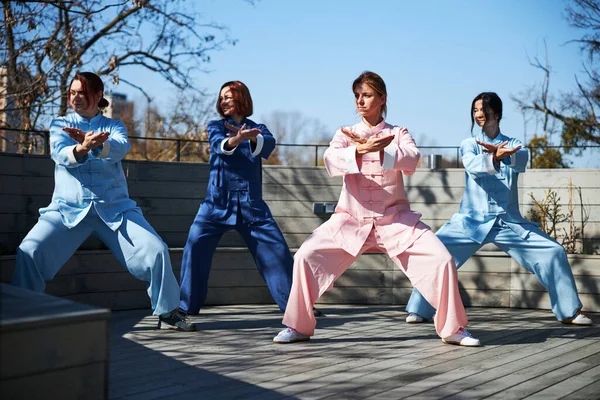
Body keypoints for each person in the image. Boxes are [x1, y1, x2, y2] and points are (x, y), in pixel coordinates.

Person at [273, 71, 480, 346]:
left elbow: (412, 159)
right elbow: (331, 160)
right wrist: (359, 150)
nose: (360, 100)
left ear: (382, 98)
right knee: (304, 257)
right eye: (357, 95)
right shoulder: (345, 134)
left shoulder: (397, 133)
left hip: (395, 221)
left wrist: (382, 150)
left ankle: (453, 329)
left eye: (367, 95)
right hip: (350, 221)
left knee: (442, 259)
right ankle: (298, 326)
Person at [12, 72, 194, 331]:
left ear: (98, 96)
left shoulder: (114, 126)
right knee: (29, 251)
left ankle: (168, 312)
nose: (75, 97)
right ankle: (19, 313)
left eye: (82, 92)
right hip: (67, 209)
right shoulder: (59, 124)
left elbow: (119, 148)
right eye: (72, 92)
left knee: (156, 250)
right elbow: (61, 154)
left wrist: (96, 146)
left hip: (115, 209)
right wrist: (81, 148)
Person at [405, 92, 593, 326]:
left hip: (508, 223)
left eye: (483, 109)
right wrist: (494, 158)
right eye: (475, 110)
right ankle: (419, 309)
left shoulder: (513, 145)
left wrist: (504, 156)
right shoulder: (469, 144)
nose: (479, 114)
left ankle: (570, 311)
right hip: (471, 222)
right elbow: (472, 165)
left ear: (497, 113)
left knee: (554, 252)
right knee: (438, 253)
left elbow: (521, 159)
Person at [179, 81, 323, 317]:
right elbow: (219, 145)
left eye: (229, 96)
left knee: (277, 252)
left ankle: (296, 307)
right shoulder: (215, 126)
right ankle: (186, 308)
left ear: (241, 98)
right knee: (194, 247)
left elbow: (268, 146)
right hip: (215, 205)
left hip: (252, 206)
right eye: (221, 97)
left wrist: (249, 137)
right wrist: (236, 139)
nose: (224, 101)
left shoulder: (258, 128)